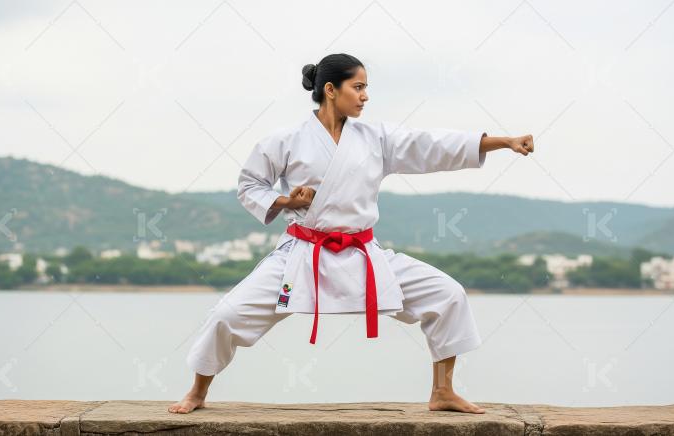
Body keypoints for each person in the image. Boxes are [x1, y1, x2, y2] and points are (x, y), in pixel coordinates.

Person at [169, 53, 534, 415]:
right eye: (357, 87)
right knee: (227, 316)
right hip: (302, 254)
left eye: (366, 88)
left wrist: (501, 142)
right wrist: (285, 199)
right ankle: (198, 391)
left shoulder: (377, 137)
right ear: (331, 89)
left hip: (362, 255)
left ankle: (443, 391)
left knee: (447, 294)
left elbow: (432, 145)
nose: (365, 96)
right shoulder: (285, 140)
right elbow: (250, 185)